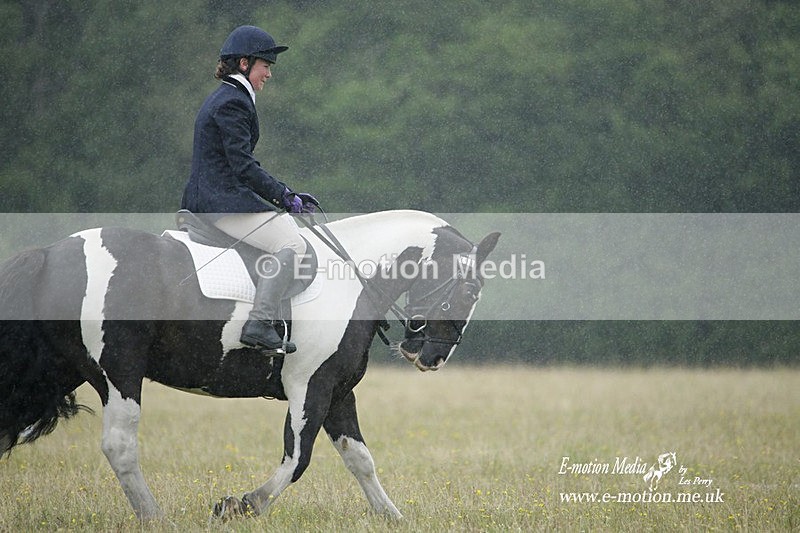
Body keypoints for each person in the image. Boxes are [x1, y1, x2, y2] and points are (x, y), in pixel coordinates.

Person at [181, 25, 316, 355]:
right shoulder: (233, 103)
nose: (269, 73)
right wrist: (284, 196)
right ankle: (259, 322)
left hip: (215, 198)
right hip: (219, 203)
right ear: (244, 63)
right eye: (265, 65)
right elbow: (243, 167)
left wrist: (283, 195)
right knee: (290, 243)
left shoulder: (229, 98)